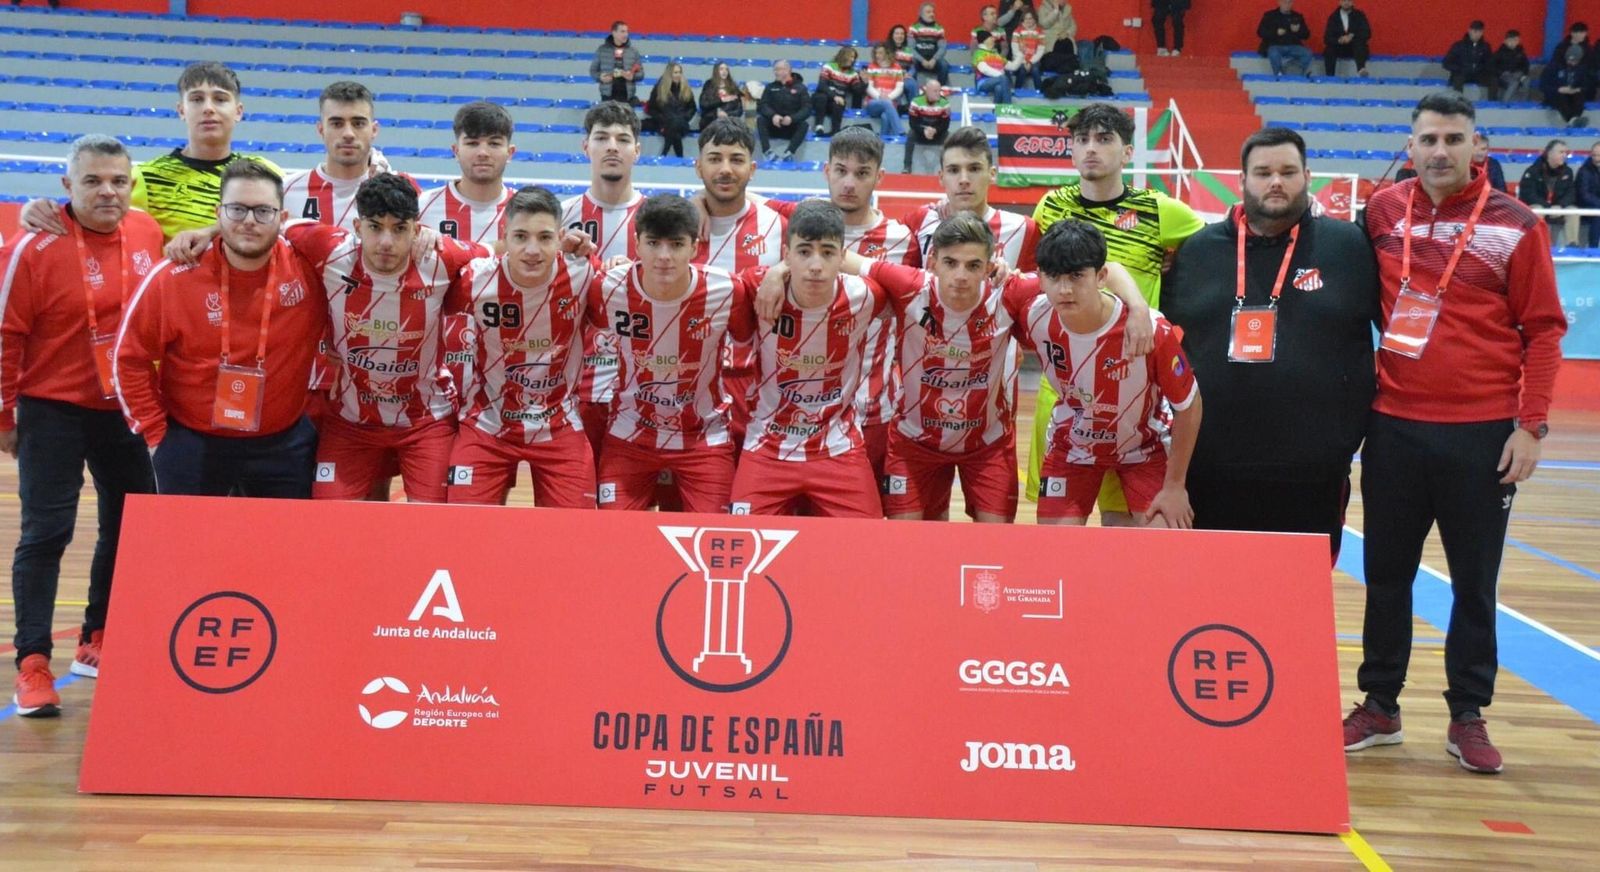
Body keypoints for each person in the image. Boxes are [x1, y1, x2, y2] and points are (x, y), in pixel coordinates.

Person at [1345, 90, 1567, 776]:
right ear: (1409, 147)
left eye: (1453, 139)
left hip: (1481, 435)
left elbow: (1545, 330)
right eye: (1428, 139)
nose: (1439, 151)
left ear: (1479, 149)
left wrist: (1530, 427)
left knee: (1475, 582)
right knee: (1386, 576)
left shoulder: (1518, 224)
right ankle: (1380, 704)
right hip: (1393, 430)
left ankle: (1468, 713)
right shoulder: (1382, 210)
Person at [1161, 127, 1378, 559]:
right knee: (1211, 600)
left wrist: (1346, 438)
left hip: (1311, 472)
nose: (1275, 181)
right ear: (1242, 180)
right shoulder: (1198, 252)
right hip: (1212, 467)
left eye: (1287, 171)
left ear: (1308, 177)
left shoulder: (1348, 247)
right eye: (1262, 172)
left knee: (1298, 601)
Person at [2, 135, 162, 717]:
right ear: (67, 186)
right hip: (52, 409)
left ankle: (97, 638)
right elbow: (6, 336)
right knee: (47, 533)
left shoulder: (146, 232)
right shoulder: (34, 246)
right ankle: (33, 662)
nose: (107, 191)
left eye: (118, 180)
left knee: (129, 524)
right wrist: (4, 417)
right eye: (93, 181)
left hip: (124, 407)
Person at [1026, 102, 1204, 521]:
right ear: (1070, 151)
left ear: (1127, 152)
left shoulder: (1162, 211)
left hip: (1135, 395)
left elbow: (1215, 253)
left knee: (1126, 531)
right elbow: (1036, 281)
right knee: (1056, 530)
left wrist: (1172, 268)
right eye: (1081, 140)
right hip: (1065, 396)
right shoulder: (1049, 208)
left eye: (1104, 140)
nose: (1091, 149)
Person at [113, 160, 325, 498]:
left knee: (278, 551)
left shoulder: (312, 269)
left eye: (263, 212)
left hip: (283, 445)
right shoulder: (173, 277)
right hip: (191, 442)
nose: (250, 222)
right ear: (218, 213)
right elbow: (129, 360)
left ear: (283, 219)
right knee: (189, 550)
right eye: (237, 210)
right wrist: (155, 434)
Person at [286, 174, 488, 503]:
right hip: (350, 421)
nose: (386, 242)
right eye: (375, 227)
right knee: (327, 520)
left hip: (426, 421)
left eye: (399, 228)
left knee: (432, 525)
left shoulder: (440, 258)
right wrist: (211, 229)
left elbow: (496, 249)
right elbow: (274, 226)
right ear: (356, 226)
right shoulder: (329, 249)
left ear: (416, 228)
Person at [753, 129, 919, 485]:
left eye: (861, 173)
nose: (849, 183)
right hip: (793, 408)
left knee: (859, 530)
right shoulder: (799, 219)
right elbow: (742, 199)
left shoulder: (903, 239)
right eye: (841, 170)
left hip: (872, 407)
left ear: (879, 177)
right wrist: (699, 203)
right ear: (826, 170)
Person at [1010, 221, 1200, 528]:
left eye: (1076, 276)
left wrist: (1175, 486)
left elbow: (1189, 405)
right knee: (1054, 552)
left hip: (1144, 448)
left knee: (1164, 545)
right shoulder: (1033, 311)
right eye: (1054, 277)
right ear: (1040, 277)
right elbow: (977, 285)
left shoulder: (1149, 330)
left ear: (1100, 277)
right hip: (1072, 446)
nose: (1065, 289)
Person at [586, 194, 755, 513]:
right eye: (653, 243)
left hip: (704, 439)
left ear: (694, 247)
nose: (664, 256)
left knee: (710, 538)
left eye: (676, 245)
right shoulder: (607, 287)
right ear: (637, 243)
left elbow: (746, 337)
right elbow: (593, 319)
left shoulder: (727, 291)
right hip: (628, 436)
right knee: (611, 538)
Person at [729, 202, 891, 517]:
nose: (816, 265)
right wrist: (775, 273)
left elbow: (926, 287)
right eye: (804, 252)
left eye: (828, 253)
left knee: (870, 548)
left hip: (839, 448)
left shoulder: (867, 295)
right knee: (743, 541)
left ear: (843, 257)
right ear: (786, 255)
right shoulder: (755, 286)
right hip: (766, 447)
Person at [446, 187, 599, 508]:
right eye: (521, 237)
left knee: (576, 537)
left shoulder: (584, 274)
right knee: (461, 531)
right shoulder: (475, 280)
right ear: (505, 237)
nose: (532, 249)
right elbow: (429, 308)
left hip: (559, 426)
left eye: (544, 237)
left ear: (560, 238)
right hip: (487, 425)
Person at [18, 61, 280, 242]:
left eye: (220, 99)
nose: (208, 108)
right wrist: (36, 209)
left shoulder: (265, 174)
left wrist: (211, 231)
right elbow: (94, 220)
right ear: (181, 110)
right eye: (197, 99)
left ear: (238, 111)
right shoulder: (144, 177)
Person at [692, 119, 787, 451]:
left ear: (753, 168)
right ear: (698, 166)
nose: (725, 169)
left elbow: (818, 250)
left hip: (758, 390)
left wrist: (783, 268)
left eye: (736, 159)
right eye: (715, 158)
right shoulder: (675, 228)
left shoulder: (778, 225)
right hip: (690, 389)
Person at [562, 102, 644, 465]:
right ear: (586, 147)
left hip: (645, 391)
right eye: (602, 138)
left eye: (623, 139)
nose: (612, 146)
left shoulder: (661, 221)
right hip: (575, 389)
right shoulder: (559, 219)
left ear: (637, 151)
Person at [902, 126, 1040, 270]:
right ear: (941, 177)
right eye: (954, 170)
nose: (964, 180)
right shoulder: (919, 222)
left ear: (992, 174)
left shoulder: (1024, 230)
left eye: (974, 169)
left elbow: (1042, 285)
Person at [418, 102, 516, 250]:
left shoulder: (526, 211)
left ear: (510, 152)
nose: (483, 153)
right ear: (456, 151)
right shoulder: (422, 206)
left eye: (494, 143)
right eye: (472, 143)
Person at [756, 60, 811, 163]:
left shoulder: (801, 88)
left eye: (778, 69)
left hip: (791, 127)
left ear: (787, 70)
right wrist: (773, 116)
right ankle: (767, 152)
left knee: (804, 125)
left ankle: (789, 153)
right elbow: (763, 105)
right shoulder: (770, 87)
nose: (775, 72)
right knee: (761, 120)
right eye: (775, 70)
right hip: (774, 125)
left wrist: (792, 118)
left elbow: (807, 108)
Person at [1517, 140, 1577, 232]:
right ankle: (1538, 242)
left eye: (1566, 153)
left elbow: (1571, 193)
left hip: (1558, 207)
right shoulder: (1533, 171)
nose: (1564, 155)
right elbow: (1528, 195)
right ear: (1549, 153)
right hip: (1541, 206)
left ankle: (1572, 244)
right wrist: (1548, 207)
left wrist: (1560, 205)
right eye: (1561, 152)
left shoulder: (1568, 172)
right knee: (1537, 210)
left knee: (1573, 211)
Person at [646, 62, 698, 158]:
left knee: (676, 122)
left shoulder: (686, 89)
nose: (678, 75)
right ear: (669, 74)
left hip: (682, 124)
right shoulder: (659, 88)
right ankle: (680, 157)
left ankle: (664, 152)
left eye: (679, 72)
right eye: (675, 72)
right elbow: (651, 109)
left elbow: (692, 108)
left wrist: (685, 118)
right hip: (664, 124)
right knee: (675, 131)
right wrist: (662, 118)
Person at [813, 46, 866, 138]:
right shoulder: (829, 66)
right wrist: (834, 96)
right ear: (843, 55)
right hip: (822, 98)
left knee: (839, 103)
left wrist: (865, 82)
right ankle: (819, 127)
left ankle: (835, 131)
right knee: (822, 97)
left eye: (854, 57)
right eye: (850, 56)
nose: (852, 59)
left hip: (836, 102)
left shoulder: (853, 74)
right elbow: (822, 85)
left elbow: (858, 91)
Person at [904, 78, 952, 174]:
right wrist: (923, 131)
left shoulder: (945, 103)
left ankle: (947, 168)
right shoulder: (916, 102)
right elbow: (913, 123)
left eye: (939, 91)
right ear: (927, 91)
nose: (938, 93)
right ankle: (907, 166)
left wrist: (935, 130)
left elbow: (945, 125)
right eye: (935, 91)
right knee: (910, 135)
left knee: (949, 137)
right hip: (920, 133)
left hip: (937, 133)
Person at [590, 20, 643, 105]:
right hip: (607, 96)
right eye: (622, 31)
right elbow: (593, 71)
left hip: (627, 97)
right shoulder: (602, 50)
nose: (626, 34)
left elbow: (641, 74)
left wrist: (632, 77)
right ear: (614, 33)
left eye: (627, 31)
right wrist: (600, 77)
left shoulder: (633, 51)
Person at [1258, 0, 1314, 79]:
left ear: (1293, 3)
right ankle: (1280, 74)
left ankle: (1286, 69)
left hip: (1294, 46)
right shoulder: (1269, 15)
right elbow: (1260, 32)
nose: (1287, 5)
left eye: (1289, 2)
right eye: (1285, 2)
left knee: (1308, 53)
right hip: (1275, 45)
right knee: (1273, 53)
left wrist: (1298, 30)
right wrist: (1275, 32)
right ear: (1279, 2)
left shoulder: (1298, 17)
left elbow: (1306, 35)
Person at [1540, 45, 1593, 127]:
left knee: (1579, 96)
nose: (1571, 63)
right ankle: (1572, 120)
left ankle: (1575, 118)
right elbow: (1543, 85)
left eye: (1575, 61)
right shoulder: (1553, 66)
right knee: (1561, 97)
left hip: (1572, 94)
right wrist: (1558, 89)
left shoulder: (1581, 68)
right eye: (1569, 60)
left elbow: (1586, 84)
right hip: (1556, 94)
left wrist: (1578, 89)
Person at [862, 45, 907, 137]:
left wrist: (889, 97)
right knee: (886, 103)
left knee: (885, 117)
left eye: (880, 53)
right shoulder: (872, 66)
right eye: (876, 53)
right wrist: (879, 97)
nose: (877, 55)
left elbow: (900, 87)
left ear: (887, 54)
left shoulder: (897, 67)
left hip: (891, 102)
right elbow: (869, 87)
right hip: (873, 102)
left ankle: (883, 141)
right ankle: (900, 132)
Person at [1322, 0, 1371, 77]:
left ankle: (1361, 70)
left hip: (1355, 47)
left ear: (1353, 2)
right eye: (1344, 0)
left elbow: (1367, 33)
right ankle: (1330, 76)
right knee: (1329, 50)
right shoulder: (1333, 17)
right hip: (1339, 47)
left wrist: (1352, 36)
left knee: (1360, 44)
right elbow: (1327, 38)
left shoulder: (1359, 15)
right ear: (1339, 2)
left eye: (1349, 0)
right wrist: (1339, 40)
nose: (1346, 3)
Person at [1443, 21, 1494, 94]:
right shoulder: (1458, 45)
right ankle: (1458, 103)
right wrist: (1460, 69)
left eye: (1480, 32)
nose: (1477, 34)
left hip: (1478, 74)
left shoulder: (1485, 47)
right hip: (1462, 73)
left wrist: (1482, 69)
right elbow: (1446, 63)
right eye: (1475, 31)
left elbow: (1489, 63)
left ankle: (1492, 104)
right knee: (1457, 79)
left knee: (1493, 80)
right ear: (1469, 31)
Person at [1548, 21, 1594, 98]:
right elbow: (1555, 61)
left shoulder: (1588, 48)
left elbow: (1591, 64)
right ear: (1573, 33)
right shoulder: (1562, 46)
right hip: (1564, 73)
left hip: (1581, 75)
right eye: (1580, 33)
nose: (1583, 35)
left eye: (1584, 33)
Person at [909, 3, 951, 85]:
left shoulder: (939, 28)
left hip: (933, 60)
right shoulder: (914, 28)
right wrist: (922, 60)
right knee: (910, 63)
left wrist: (934, 59)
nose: (932, 14)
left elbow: (942, 48)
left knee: (944, 65)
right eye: (928, 12)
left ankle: (939, 89)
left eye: (933, 12)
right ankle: (914, 90)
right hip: (918, 59)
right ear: (921, 14)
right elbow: (910, 48)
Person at [972, 30, 1017, 105]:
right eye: (991, 37)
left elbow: (1012, 67)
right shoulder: (978, 53)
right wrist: (1001, 74)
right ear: (985, 40)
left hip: (997, 81)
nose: (993, 39)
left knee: (999, 88)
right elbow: (984, 69)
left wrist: (1020, 56)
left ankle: (996, 111)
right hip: (983, 82)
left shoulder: (996, 54)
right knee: (1004, 78)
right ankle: (1008, 106)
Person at [1489, 30, 1530, 102]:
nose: (1513, 43)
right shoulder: (1499, 53)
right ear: (1505, 41)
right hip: (1504, 75)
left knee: (1526, 81)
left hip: (1518, 75)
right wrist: (1501, 73)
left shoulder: (1521, 53)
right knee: (1514, 82)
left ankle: (1523, 103)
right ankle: (1505, 102)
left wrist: (1524, 74)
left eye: (1515, 40)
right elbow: (1492, 66)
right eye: (1510, 40)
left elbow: (1526, 65)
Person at [1011, 10, 1048, 89]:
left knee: (1035, 70)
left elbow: (1040, 51)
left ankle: (1039, 91)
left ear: (1035, 19)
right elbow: (1015, 50)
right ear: (1023, 20)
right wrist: (1024, 62)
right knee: (1022, 70)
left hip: (1034, 60)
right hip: (1020, 60)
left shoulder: (1040, 32)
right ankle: (1017, 90)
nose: (1028, 21)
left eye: (1030, 18)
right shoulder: (1017, 31)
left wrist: (1030, 62)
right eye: (1026, 18)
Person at [1576, 142, 1600, 248]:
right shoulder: (1584, 171)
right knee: (1598, 214)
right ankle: (1593, 248)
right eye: (1594, 155)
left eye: (1599, 155)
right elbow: (1584, 195)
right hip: (1586, 205)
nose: (1596, 158)